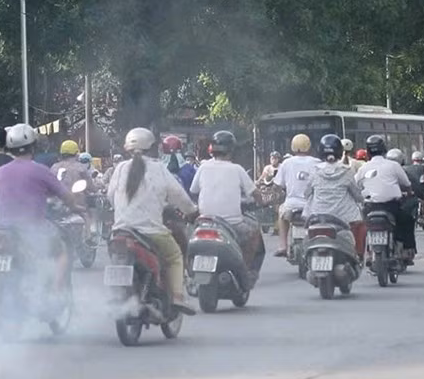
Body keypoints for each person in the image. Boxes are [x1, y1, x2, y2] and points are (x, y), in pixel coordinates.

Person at [0, 124, 84, 301]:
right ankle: (56, 292)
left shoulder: (0, 171)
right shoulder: (40, 170)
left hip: (2, 229)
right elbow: (65, 195)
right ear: (33, 146)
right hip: (32, 228)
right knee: (62, 251)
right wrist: (76, 207)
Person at [108, 127, 197, 315]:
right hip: (150, 232)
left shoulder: (120, 168)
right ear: (152, 147)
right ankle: (178, 296)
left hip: (120, 231)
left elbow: (110, 197)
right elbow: (180, 197)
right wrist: (192, 211)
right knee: (174, 256)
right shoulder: (159, 169)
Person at [189, 131, 265, 283]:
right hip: (233, 223)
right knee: (254, 233)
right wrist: (262, 203)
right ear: (231, 150)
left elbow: (193, 191)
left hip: (205, 221)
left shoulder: (203, 168)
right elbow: (255, 193)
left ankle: (189, 272)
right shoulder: (237, 169)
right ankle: (246, 271)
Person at [355, 135, 415, 266]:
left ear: (368, 152)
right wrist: (409, 192)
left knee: (363, 226)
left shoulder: (363, 168)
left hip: (369, 207)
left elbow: (356, 186)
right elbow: (406, 183)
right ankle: (406, 251)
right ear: (384, 150)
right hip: (391, 206)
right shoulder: (393, 165)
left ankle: (367, 253)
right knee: (407, 220)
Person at [305, 135, 365, 262]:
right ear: (339, 151)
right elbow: (357, 195)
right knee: (360, 225)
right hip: (343, 218)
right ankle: (358, 256)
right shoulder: (347, 171)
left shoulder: (315, 171)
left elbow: (307, 193)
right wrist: (362, 199)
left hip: (318, 216)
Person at [272, 134, 319, 257]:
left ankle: (282, 246)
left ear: (292, 147)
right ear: (309, 147)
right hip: (312, 205)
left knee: (281, 214)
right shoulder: (317, 162)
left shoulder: (286, 163)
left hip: (291, 204)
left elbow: (277, 185)